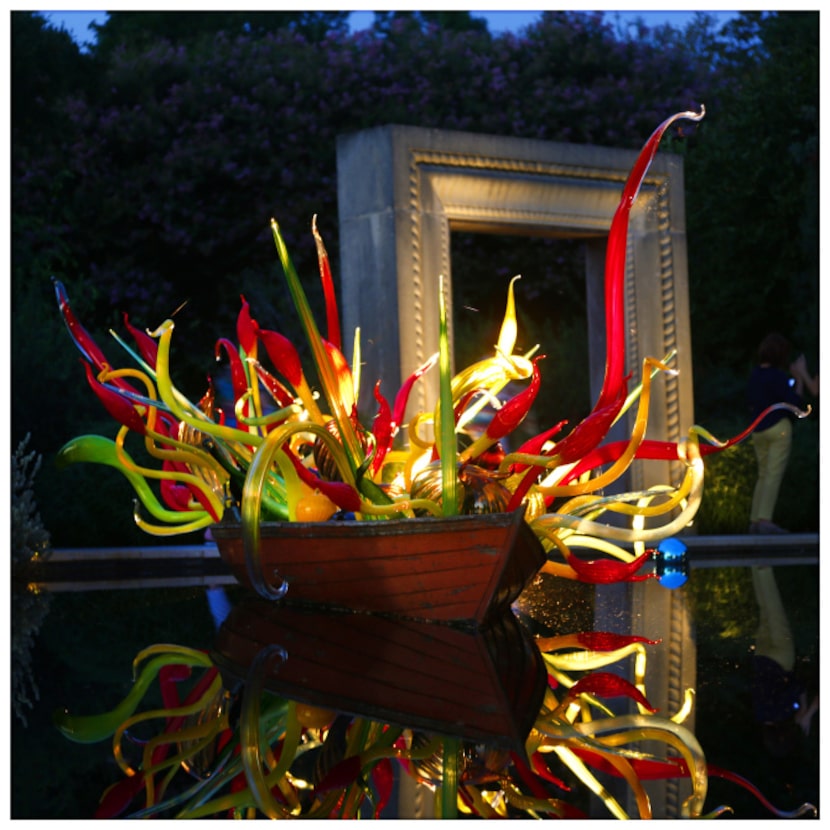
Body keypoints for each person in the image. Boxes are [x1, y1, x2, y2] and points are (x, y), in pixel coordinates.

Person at [746, 333, 805, 534]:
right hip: (778, 428)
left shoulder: (755, 374)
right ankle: (764, 519)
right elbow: (796, 403)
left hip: (758, 430)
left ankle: (755, 520)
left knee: (763, 474)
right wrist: (799, 380)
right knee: (773, 474)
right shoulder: (779, 377)